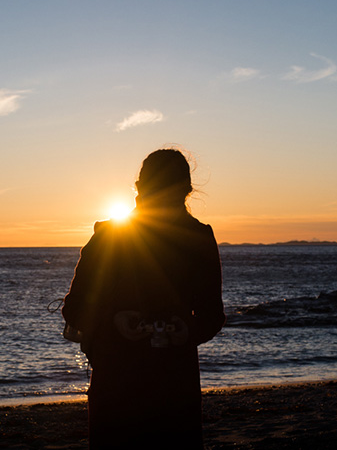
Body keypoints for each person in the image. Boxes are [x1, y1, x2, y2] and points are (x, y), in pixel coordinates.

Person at [63, 149, 225, 449]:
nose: (164, 202)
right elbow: (73, 308)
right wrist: (115, 321)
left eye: (170, 195)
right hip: (121, 386)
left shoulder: (198, 238)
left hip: (170, 389)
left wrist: (184, 329)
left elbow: (212, 315)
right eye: (158, 193)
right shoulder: (110, 234)